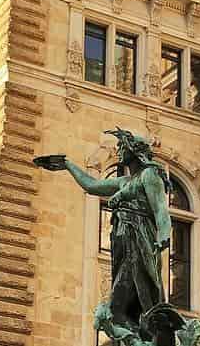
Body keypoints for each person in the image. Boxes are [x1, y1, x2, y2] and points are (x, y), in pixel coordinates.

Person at [36, 128, 172, 331]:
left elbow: (160, 208)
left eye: (121, 147)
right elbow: (92, 185)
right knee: (118, 307)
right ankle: (142, 339)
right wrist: (67, 164)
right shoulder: (124, 181)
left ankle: (156, 334)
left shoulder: (149, 175)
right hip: (122, 240)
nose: (118, 151)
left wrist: (164, 234)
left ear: (133, 150)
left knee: (143, 290)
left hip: (140, 235)